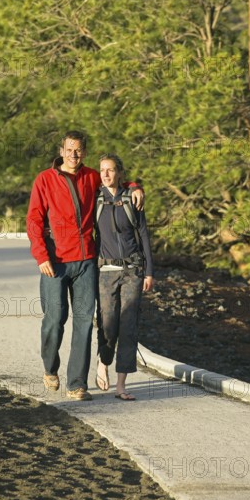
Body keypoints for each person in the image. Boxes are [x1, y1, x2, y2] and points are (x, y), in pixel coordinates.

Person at [26, 131, 143, 401]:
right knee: (55, 320)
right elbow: (33, 220)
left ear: (84, 152)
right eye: (69, 150)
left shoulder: (92, 177)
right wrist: (41, 255)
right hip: (54, 262)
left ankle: (77, 384)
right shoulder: (45, 179)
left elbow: (119, 184)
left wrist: (137, 187)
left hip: (86, 261)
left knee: (83, 323)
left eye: (78, 150)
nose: (73, 155)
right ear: (61, 150)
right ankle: (50, 368)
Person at [95, 154, 154, 401]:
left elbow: (144, 236)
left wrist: (149, 271)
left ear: (119, 172)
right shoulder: (94, 199)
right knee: (108, 325)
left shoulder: (131, 199)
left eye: (111, 170)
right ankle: (103, 361)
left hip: (133, 271)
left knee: (128, 326)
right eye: (102, 170)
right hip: (106, 273)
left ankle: (121, 384)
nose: (106, 174)